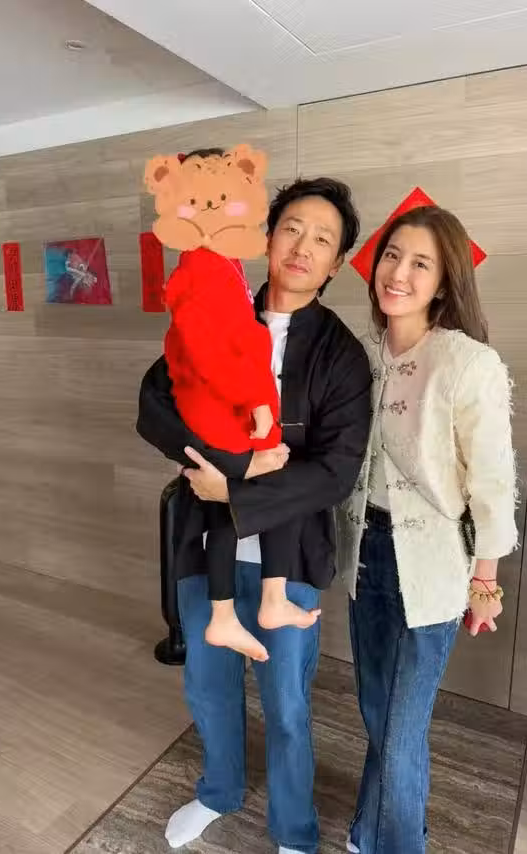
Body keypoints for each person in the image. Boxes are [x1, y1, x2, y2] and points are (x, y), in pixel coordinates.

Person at [136, 176, 372, 854]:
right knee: (208, 689)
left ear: (336, 264)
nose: (302, 246)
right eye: (292, 228)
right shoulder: (216, 309)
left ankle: (294, 830)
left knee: (288, 705)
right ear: (265, 237)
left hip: (288, 561)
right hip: (203, 546)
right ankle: (219, 791)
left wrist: (233, 493)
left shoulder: (341, 355)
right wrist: (229, 470)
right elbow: (154, 406)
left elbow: (336, 470)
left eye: (322, 239)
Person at [336, 205, 518, 854]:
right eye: (392, 255)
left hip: (432, 564)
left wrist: (485, 582)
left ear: (444, 282)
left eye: (421, 263)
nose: (399, 273)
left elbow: (492, 482)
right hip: (363, 551)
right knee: (378, 714)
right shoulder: (359, 357)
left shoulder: (468, 363)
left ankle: (394, 843)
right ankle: (368, 833)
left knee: (401, 729)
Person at [144, 145, 320, 664]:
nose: (215, 210)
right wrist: (254, 404)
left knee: (233, 501)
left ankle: (244, 609)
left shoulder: (219, 265)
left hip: (218, 408)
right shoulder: (203, 268)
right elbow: (207, 353)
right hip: (220, 409)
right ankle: (258, 604)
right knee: (266, 484)